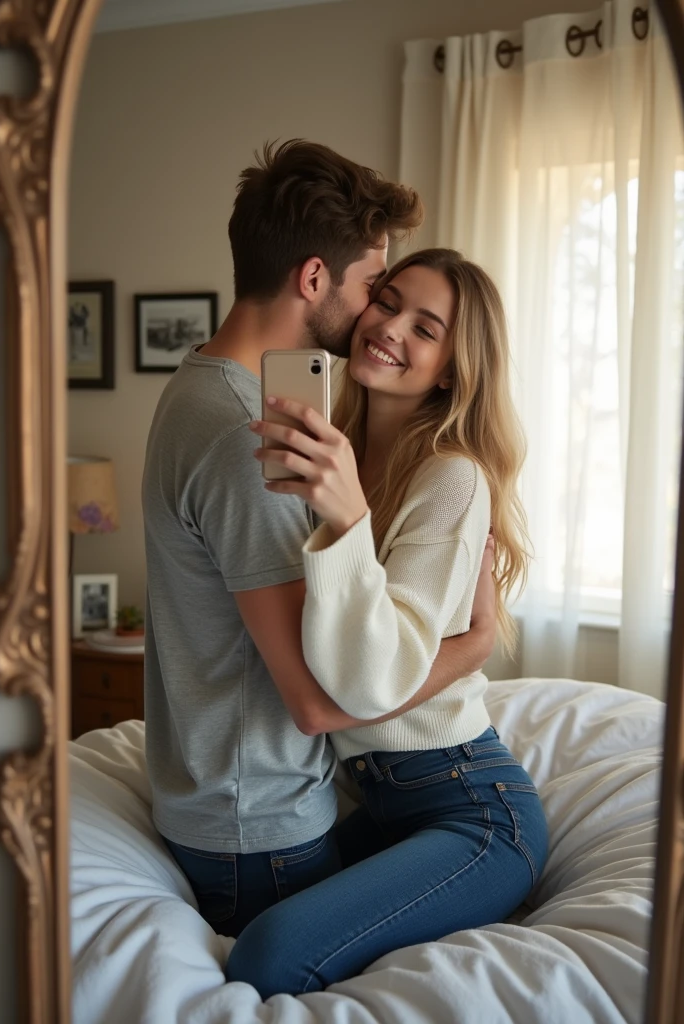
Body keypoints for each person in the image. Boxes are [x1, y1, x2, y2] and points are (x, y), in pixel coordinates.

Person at [142, 143, 498, 939]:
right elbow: (315, 703)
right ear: (313, 279)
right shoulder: (249, 437)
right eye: (376, 286)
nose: (376, 315)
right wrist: (473, 646)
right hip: (257, 820)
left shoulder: (197, 384)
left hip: (233, 803)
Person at [226, 248, 549, 996]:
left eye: (425, 326)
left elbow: (370, 680)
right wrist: (467, 647)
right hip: (376, 795)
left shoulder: (452, 476)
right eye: (388, 300)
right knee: (250, 913)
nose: (390, 327)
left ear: (450, 368)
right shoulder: (332, 453)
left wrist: (348, 525)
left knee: (267, 957)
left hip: (473, 810)